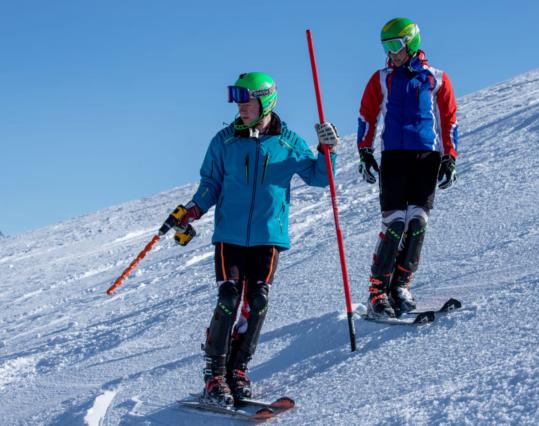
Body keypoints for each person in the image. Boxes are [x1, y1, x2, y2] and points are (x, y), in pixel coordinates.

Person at [160, 72, 339, 406]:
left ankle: (238, 370)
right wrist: (194, 209)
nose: (240, 107)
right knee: (229, 297)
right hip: (230, 236)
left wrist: (327, 150)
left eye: (247, 100)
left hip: (268, 237)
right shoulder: (224, 141)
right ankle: (215, 375)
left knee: (257, 301)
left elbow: (320, 178)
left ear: (266, 101)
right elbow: (210, 184)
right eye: (237, 100)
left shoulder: (288, 143)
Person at [356, 18, 459, 318]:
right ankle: (377, 292)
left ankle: (400, 286)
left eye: (396, 45)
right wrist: (365, 151)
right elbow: (367, 115)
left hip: (426, 158)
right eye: (386, 47)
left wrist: (450, 157)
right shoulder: (381, 78)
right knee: (394, 223)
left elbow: (449, 119)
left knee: (417, 222)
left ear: (411, 43)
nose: (391, 53)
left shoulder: (436, 78)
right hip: (394, 157)